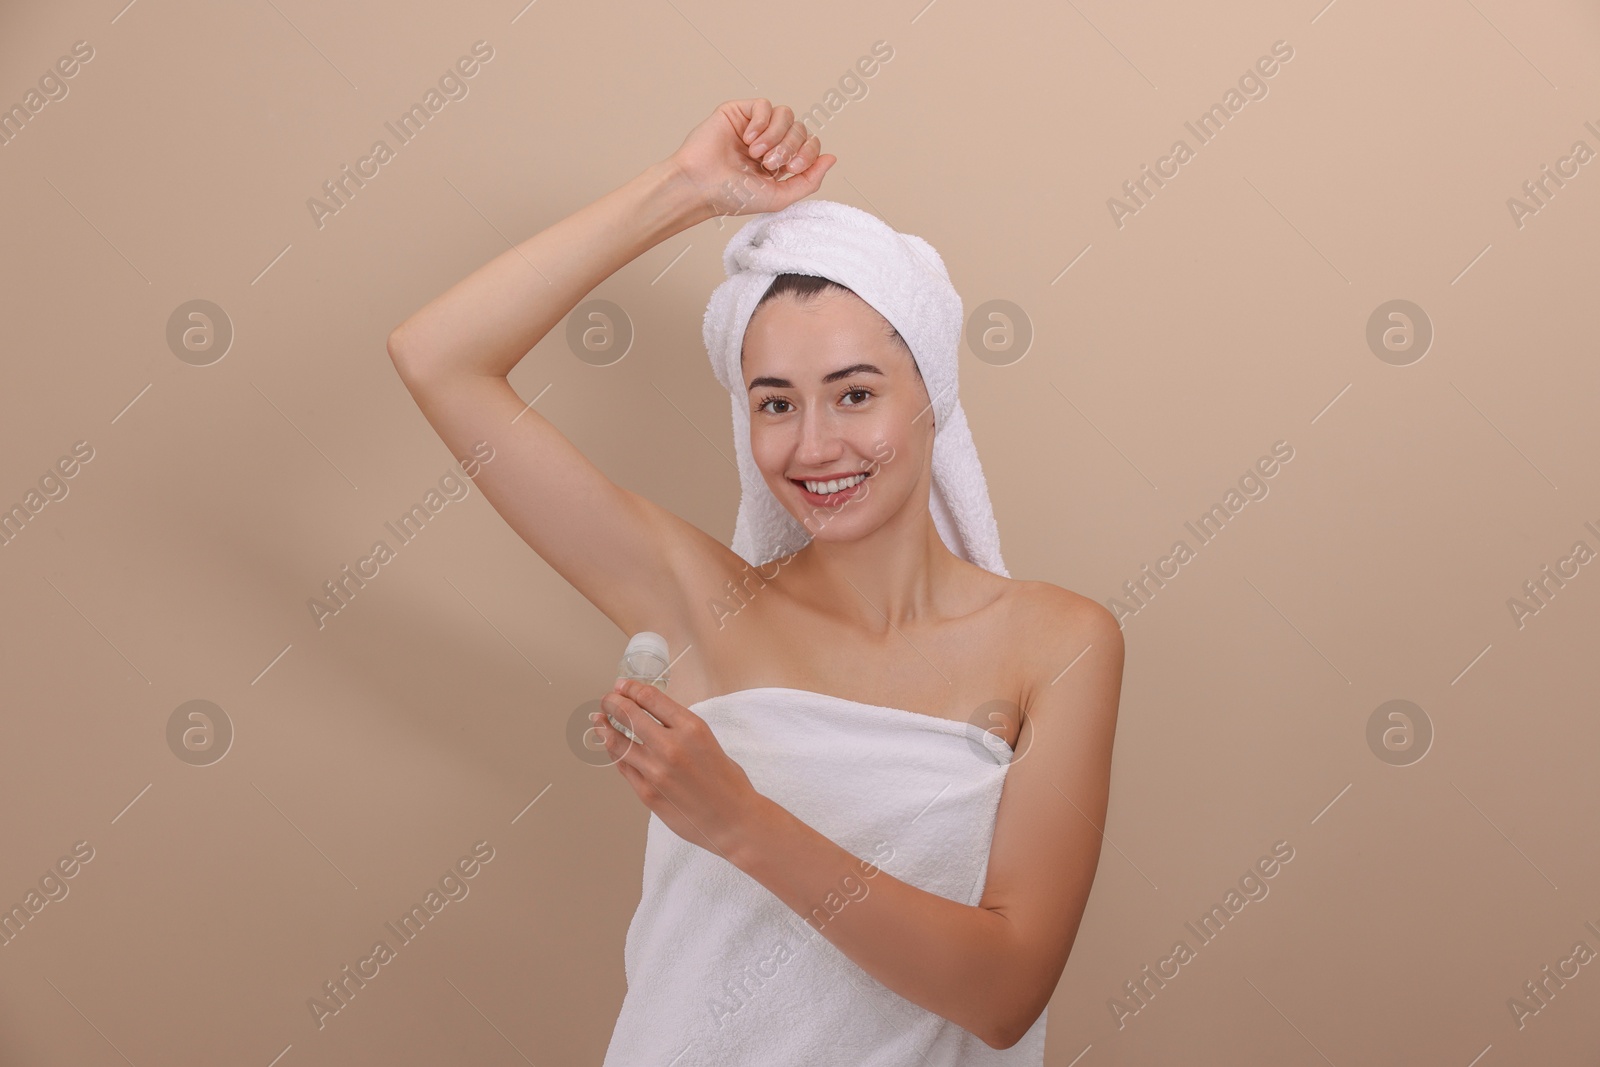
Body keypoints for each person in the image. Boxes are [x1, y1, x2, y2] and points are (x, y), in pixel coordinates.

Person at [386, 98, 1124, 1062]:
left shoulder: (1056, 645)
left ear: (932, 395)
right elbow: (438, 358)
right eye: (774, 403)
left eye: (855, 393)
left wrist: (740, 821)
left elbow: (1003, 990)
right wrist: (688, 191)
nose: (815, 445)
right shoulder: (698, 602)